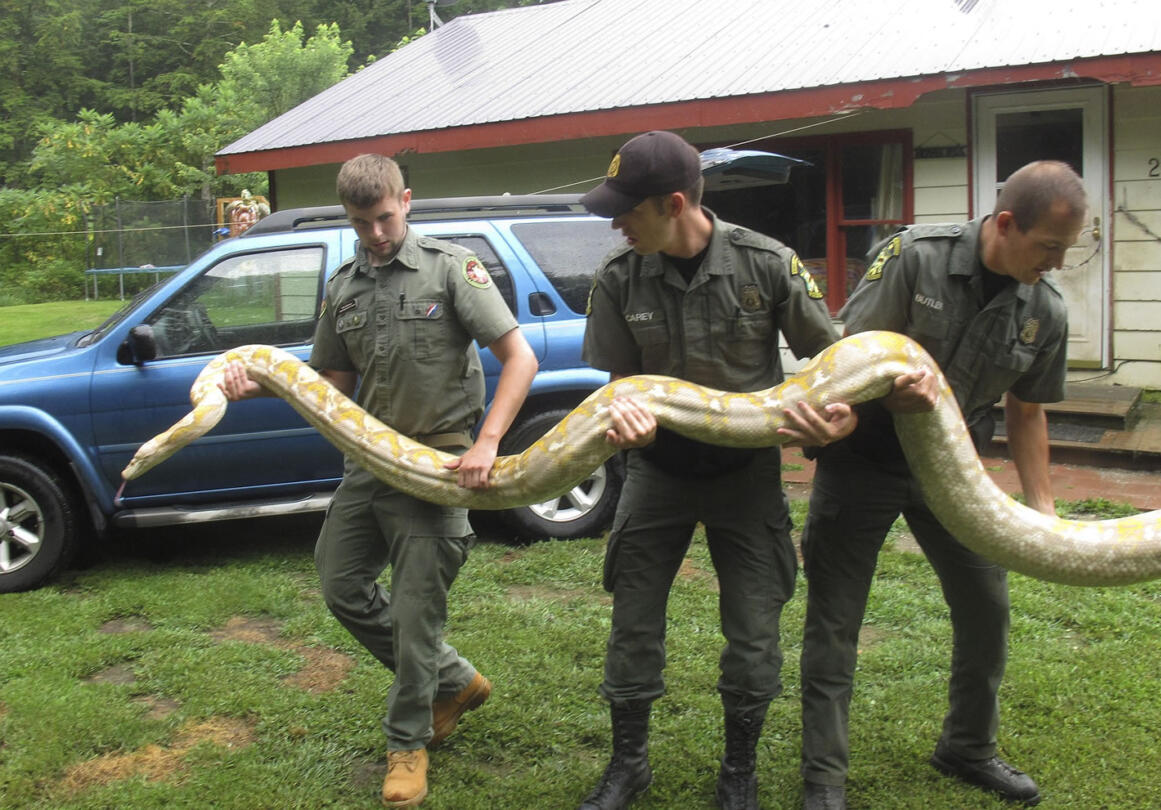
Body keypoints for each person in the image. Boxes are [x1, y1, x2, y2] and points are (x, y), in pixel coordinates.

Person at [218, 153, 538, 808]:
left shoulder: (451, 268)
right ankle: (454, 680)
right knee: (340, 583)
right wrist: (257, 386)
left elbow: (519, 356)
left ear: (407, 201)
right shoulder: (343, 287)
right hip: (368, 462)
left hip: (439, 463)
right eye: (362, 224)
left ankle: (407, 744)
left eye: (385, 218)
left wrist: (487, 442)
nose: (376, 236)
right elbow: (330, 384)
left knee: (417, 615)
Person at [788, 160, 1087, 810]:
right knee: (836, 620)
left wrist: (1043, 508)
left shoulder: (1045, 309)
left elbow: (1028, 410)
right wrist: (887, 392)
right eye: (1049, 247)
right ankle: (824, 783)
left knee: (987, 606)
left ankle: (968, 747)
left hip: (956, 470)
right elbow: (852, 354)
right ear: (1006, 224)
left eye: (1066, 250)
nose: (1058, 263)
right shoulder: (914, 258)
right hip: (864, 457)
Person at [577, 130, 856, 810]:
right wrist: (624, 422)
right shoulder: (619, 277)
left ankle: (739, 772)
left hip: (745, 478)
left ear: (675, 203)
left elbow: (836, 367)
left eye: (627, 209)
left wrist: (840, 418)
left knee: (754, 633)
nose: (615, 223)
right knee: (633, 625)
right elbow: (621, 384)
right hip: (657, 473)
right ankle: (629, 764)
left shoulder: (768, 264)